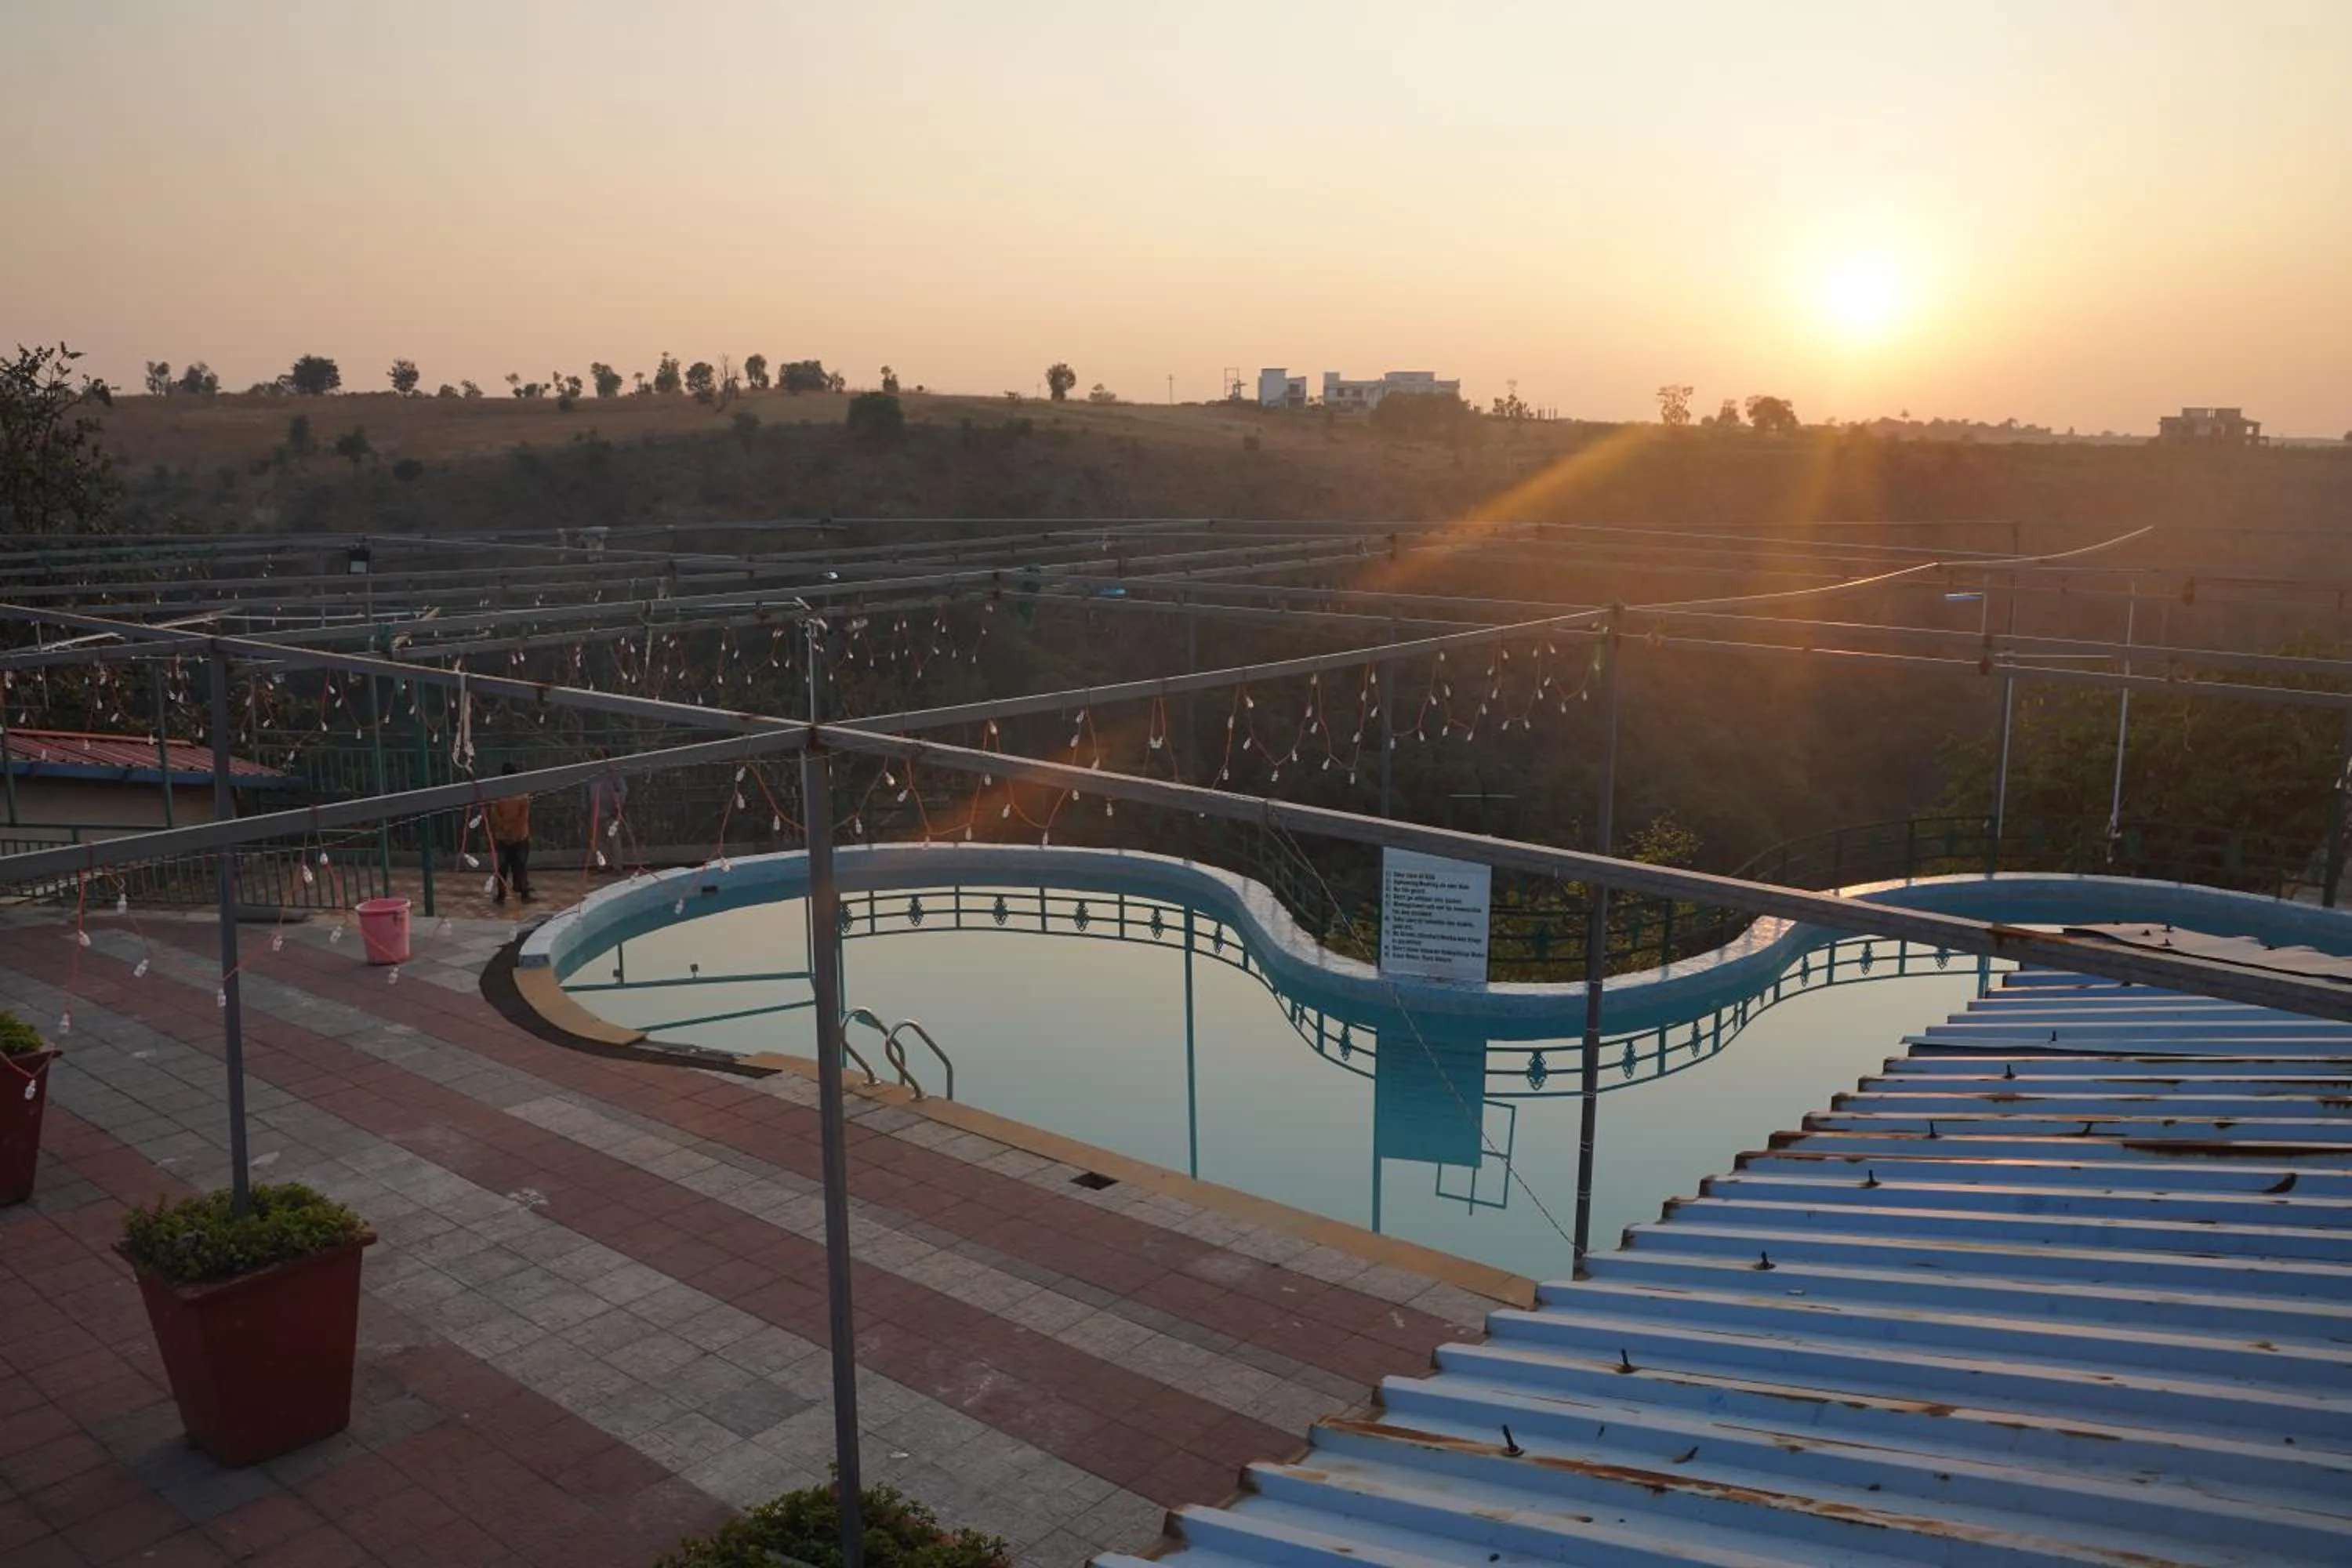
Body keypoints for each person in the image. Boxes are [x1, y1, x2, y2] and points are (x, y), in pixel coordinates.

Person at [485, 764, 534, 903]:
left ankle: (502, 895)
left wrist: (505, 830)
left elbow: (494, 816)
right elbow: (523, 818)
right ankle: (523, 894)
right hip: (519, 836)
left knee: (503, 868)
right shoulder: (523, 795)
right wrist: (513, 832)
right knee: (520, 866)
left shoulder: (498, 795)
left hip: (503, 836)